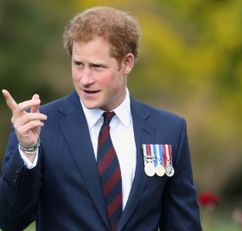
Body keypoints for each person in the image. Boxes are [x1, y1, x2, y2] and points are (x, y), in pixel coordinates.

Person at [0, 6, 201, 231]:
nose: (85, 79)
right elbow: (10, 219)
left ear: (127, 63)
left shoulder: (169, 130)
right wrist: (27, 151)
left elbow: (184, 225)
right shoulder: (39, 126)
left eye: (97, 67)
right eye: (78, 65)